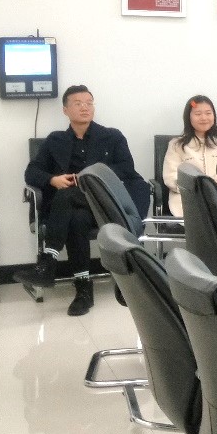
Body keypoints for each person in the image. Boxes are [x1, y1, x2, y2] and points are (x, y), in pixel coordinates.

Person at [18, 85, 150, 316]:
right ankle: (83, 289)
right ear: (65, 110)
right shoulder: (55, 140)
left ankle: (48, 261)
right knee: (77, 218)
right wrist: (53, 180)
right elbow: (32, 172)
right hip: (73, 209)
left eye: (89, 103)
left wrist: (91, 177)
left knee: (67, 195)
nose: (85, 107)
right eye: (78, 103)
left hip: (104, 202)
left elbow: (126, 169)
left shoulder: (112, 136)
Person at [161, 95, 217, 217]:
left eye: (208, 113)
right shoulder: (177, 145)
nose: (204, 118)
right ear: (189, 117)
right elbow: (171, 177)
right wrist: (196, 189)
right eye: (198, 114)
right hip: (186, 200)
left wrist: (214, 190)